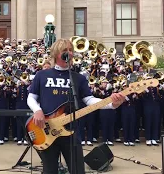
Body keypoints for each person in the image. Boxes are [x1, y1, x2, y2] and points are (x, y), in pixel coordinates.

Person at [27, 38, 125, 174]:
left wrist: (111, 104)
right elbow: (31, 98)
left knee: (78, 170)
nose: (70, 53)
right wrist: (37, 110)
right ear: (56, 54)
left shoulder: (78, 78)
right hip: (47, 130)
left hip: (71, 132)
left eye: (71, 50)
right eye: (65, 50)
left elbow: (89, 100)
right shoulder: (42, 75)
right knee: (49, 170)